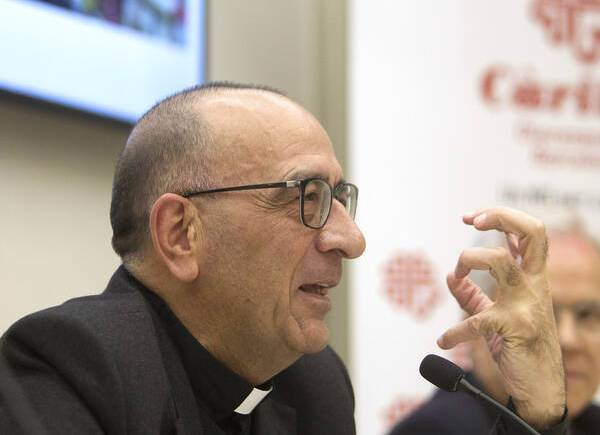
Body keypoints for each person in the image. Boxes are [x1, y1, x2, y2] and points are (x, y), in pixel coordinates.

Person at [0, 83, 568, 434]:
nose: (351, 239)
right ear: (180, 234)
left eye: (339, 200)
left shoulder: (312, 387)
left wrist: (537, 416)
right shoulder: (69, 368)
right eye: (306, 199)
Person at [389, 225, 600, 435]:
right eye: (543, 317)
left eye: (589, 314)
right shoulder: (439, 428)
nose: (569, 340)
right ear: (476, 321)